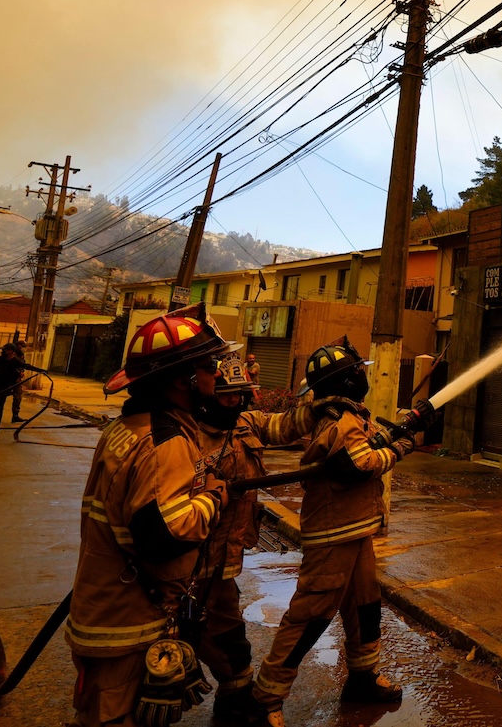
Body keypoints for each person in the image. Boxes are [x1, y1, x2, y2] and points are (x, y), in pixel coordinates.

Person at [248, 340, 435, 724]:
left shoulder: (341, 412)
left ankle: (363, 676)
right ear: (349, 380)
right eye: (359, 371)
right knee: (312, 613)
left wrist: (400, 431)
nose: (364, 376)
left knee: (364, 605)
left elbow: (357, 447)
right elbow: (357, 465)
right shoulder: (341, 419)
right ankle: (266, 696)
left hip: (355, 529)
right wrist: (401, 447)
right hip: (334, 532)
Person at [65, 305, 234, 726]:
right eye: (209, 366)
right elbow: (165, 536)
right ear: (184, 380)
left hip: (106, 607)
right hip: (129, 620)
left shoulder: (131, 427)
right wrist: (214, 497)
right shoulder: (165, 441)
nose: (217, 375)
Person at [187, 350, 357, 723]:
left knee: (228, 637)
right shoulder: (187, 439)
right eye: (225, 395)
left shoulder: (244, 423)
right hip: (191, 561)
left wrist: (316, 410)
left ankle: (234, 703)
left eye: (238, 395)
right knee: (189, 632)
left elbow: (282, 425)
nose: (232, 402)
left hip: (225, 559)